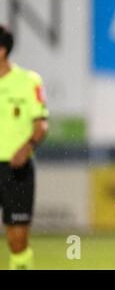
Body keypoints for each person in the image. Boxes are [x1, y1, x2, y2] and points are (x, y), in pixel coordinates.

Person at [0, 25, 49, 269]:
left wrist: (26, 147)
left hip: (14, 170)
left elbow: (41, 125)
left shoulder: (28, 82)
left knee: (17, 240)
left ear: (1, 51)